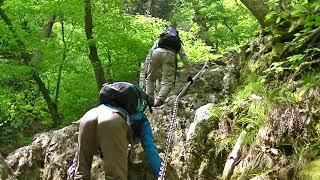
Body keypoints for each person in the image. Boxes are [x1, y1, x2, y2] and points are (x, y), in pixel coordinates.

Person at [74, 82, 162, 180]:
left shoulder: (112, 106)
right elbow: (150, 149)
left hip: (87, 117)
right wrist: (161, 173)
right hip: (112, 121)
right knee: (115, 177)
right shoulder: (142, 120)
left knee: (81, 173)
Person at [142, 26, 192, 107]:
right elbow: (184, 58)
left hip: (156, 52)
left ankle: (149, 98)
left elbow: (151, 51)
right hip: (170, 55)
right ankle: (160, 100)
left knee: (150, 77)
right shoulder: (177, 42)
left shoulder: (161, 38)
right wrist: (189, 73)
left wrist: (146, 67)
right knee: (167, 80)